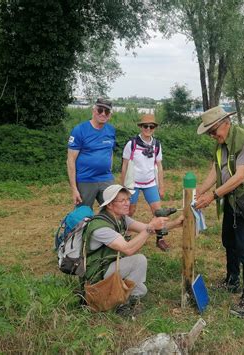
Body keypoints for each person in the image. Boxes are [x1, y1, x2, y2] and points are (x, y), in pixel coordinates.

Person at [195, 106, 244, 318]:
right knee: (228, 240)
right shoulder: (222, 143)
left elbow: (240, 177)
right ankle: (232, 280)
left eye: (213, 131)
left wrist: (213, 196)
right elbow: (217, 170)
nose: (212, 136)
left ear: (225, 124)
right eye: (209, 133)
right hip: (232, 201)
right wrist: (199, 191)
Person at [82, 184, 183, 315]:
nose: (127, 203)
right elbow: (128, 249)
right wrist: (150, 227)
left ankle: (116, 297)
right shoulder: (100, 227)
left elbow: (148, 228)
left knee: (141, 289)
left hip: (110, 266)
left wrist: (175, 224)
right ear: (110, 205)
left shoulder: (121, 218)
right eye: (122, 201)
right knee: (139, 260)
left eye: (128, 199)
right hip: (97, 275)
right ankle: (121, 306)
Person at [120, 114, 168, 251]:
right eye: (145, 126)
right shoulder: (132, 143)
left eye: (151, 126)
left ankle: (160, 238)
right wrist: (123, 187)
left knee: (158, 212)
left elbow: (159, 166)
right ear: (141, 127)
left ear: (154, 128)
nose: (148, 128)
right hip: (133, 183)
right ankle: (126, 235)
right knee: (130, 210)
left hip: (150, 183)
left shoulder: (157, 144)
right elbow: (124, 165)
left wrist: (161, 187)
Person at [67, 98, 116, 209]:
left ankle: (106, 227)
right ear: (93, 111)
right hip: (85, 180)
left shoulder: (111, 130)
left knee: (114, 210)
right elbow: (71, 160)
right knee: (83, 215)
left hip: (106, 178)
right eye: (100, 110)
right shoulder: (79, 130)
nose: (103, 114)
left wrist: (109, 169)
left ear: (109, 115)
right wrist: (74, 189)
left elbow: (110, 151)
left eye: (107, 111)